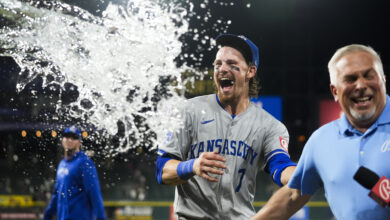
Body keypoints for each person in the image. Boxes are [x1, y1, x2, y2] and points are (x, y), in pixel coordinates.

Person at [155, 34, 297, 219]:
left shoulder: (270, 126)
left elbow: (281, 166)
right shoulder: (188, 111)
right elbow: (162, 170)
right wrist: (193, 165)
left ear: (251, 71)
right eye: (218, 64)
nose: (222, 69)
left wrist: (304, 173)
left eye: (231, 64)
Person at [252, 44, 390, 220]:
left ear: (383, 80)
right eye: (350, 79)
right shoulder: (321, 140)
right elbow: (293, 196)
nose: (361, 85)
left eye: (369, 76)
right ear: (335, 91)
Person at [44, 126, 106, 220]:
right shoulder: (62, 164)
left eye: (74, 137)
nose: (69, 140)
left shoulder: (84, 162)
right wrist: (47, 216)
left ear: (79, 142)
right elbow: (57, 194)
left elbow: (94, 192)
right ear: (62, 140)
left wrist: (101, 217)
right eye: (67, 136)